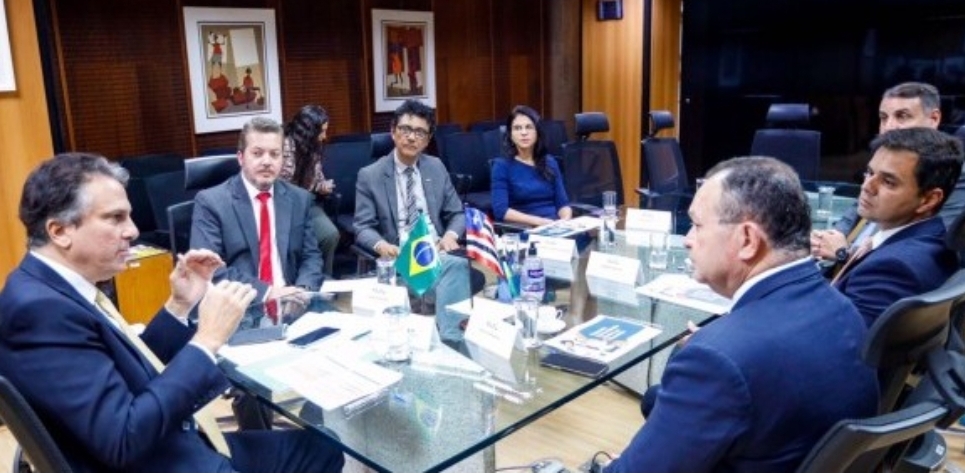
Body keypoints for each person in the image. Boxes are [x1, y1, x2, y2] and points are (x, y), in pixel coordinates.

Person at [0, 153, 345, 473]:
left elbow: (130, 374)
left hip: (168, 445)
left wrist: (178, 306)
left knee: (321, 448)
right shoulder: (39, 311)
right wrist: (207, 340)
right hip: (155, 460)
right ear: (60, 231)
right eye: (115, 218)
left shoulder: (51, 287)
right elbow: (122, 439)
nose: (133, 231)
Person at [601, 156, 878, 473]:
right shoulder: (842, 308)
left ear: (747, 240)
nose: (688, 240)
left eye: (697, 226)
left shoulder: (717, 357)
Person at [354, 99, 471, 345]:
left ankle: (447, 337)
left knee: (453, 267)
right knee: (454, 272)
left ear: (427, 140)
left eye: (419, 132)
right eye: (405, 129)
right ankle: (452, 341)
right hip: (400, 254)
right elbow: (362, 227)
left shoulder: (435, 167)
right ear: (393, 132)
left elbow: (457, 213)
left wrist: (450, 236)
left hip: (435, 251)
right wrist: (381, 246)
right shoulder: (371, 175)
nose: (411, 137)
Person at [192, 116, 325, 321]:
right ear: (240, 158)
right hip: (240, 309)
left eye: (275, 154)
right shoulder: (211, 203)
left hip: (293, 306)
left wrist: (303, 291)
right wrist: (268, 293)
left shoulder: (299, 199)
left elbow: (311, 256)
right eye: (257, 153)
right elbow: (210, 270)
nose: (267, 161)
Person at [832, 127, 962, 326]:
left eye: (888, 182)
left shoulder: (891, 268)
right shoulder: (933, 239)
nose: (867, 186)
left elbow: (842, 340)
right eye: (870, 173)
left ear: (929, 200)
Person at [811, 82, 943, 262]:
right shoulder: (885, 156)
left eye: (902, 116)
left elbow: (929, 252)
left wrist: (843, 253)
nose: (889, 127)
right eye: (883, 117)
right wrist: (832, 236)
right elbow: (859, 206)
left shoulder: (949, 173)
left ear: (934, 119)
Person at [279, 105, 341, 277]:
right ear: (309, 132)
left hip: (306, 203)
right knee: (294, 242)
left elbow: (316, 180)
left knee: (329, 234)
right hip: (282, 207)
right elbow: (277, 186)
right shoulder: (281, 148)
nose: (324, 136)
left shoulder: (313, 148)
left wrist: (323, 186)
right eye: (322, 132)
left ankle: (324, 279)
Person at [490, 105, 572, 226]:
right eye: (517, 128)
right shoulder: (501, 166)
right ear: (511, 135)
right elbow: (501, 211)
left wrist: (565, 221)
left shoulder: (550, 162)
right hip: (526, 229)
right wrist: (540, 222)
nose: (524, 133)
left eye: (529, 127)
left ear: (537, 132)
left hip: (555, 226)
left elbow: (563, 204)